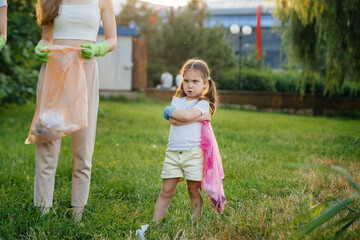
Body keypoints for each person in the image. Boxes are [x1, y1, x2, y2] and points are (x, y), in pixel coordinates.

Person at [33, 0, 117, 221]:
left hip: (85, 70)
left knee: (83, 147)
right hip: (53, 70)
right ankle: (42, 212)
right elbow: (46, 37)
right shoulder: (48, 0)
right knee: (47, 143)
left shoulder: (102, 1)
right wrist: (41, 46)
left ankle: (77, 215)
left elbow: (112, 40)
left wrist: (99, 48)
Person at [153, 58, 218, 223]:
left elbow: (185, 116)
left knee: (193, 191)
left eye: (195, 81)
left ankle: (195, 224)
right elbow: (174, 121)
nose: (190, 85)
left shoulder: (203, 103)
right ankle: (155, 223)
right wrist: (200, 118)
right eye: (186, 81)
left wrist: (173, 112)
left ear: (204, 84)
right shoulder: (177, 101)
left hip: (193, 154)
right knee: (166, 190)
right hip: (173, 153)